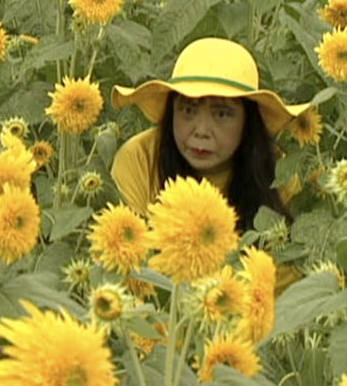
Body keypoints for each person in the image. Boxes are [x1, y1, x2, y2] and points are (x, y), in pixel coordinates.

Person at [110, 37, 309, 292]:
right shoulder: (139, 160)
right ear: (171, 111)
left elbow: (284, 288)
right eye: (189, 111)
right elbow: (129, 264)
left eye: (221, 114)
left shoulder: (281, 176)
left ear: (248, 121)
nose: (201, 131)